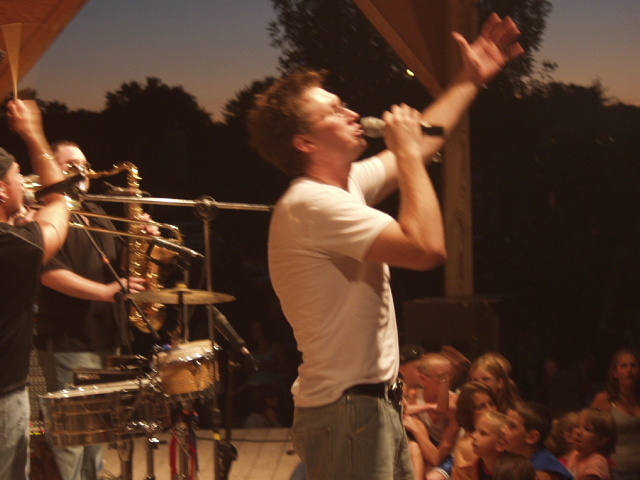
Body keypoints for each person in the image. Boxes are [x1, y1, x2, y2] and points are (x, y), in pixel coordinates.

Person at [247, 12, 523, 480]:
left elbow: (426, 140)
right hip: (347, 412)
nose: (352, 113)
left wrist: (470, 78)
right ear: (305, 141)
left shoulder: (343, 185)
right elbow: (427, 247)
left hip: (368, 407)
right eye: (334, 111)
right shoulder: (311, 204)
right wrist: (408, 153)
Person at [34, 140, 152, 480]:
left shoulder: (96, 211)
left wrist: (141, 240)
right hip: (69, 339)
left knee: (99, 434)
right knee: (71, 439)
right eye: (70, 164)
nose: (82, 170)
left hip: (105, 336)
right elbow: (47, 272)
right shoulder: (47, 216)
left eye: (84, 164)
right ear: (51, 170)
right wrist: (105, 292)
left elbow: (117, 266)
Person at [0, 99, 70, 480]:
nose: (25, 185)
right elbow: (58, 201)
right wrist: (33, 134)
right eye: (18, 179)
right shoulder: (12, 246)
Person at [590, 348, 640, 480]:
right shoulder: (605, 400)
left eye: (634, 365)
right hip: (618, 471)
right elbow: (589, 434)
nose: (629, 370)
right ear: (615, 372)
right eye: (624, 366)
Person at [501, 401, 573, 480]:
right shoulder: (519, 459)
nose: (503, 430)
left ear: (532, 437)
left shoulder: (541, 473)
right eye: (505, 422)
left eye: (512, 426)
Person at [452, 382, 499, 480]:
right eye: (481, 407)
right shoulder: (473, 444)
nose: (490, 410)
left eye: (491, 403)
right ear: (468, 413)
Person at [565, 408, 615, 480]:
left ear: (602, 441)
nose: (578, 432)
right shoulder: (575, 454)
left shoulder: (597, 462)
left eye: (587, 429)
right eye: (577, 426)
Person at [471, 410, 508, 480]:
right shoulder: (477, 465)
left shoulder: (511, 472)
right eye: (475, 430)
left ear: (500, 445)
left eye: (483, 433)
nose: (473, 436)